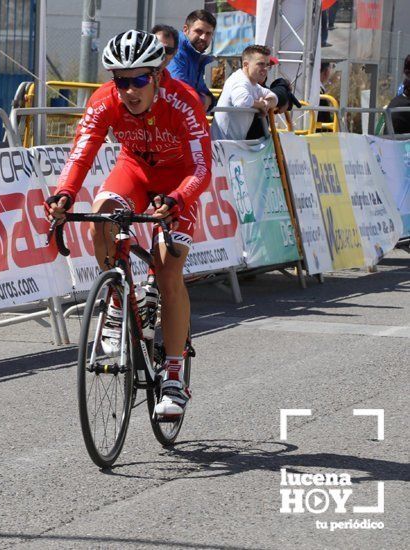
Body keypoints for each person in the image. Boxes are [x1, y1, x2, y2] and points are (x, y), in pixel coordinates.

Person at [45, 30, 211, 418]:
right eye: (121, 81)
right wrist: (64, 193)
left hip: (179, 181)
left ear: (157, 75)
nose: (129, 90)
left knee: (168, 268)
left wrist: (177, 200)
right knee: (101, 215)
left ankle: (172, 375)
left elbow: (202, 167)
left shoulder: (183, 101)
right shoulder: (104, 101)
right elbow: (81, 152)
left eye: (138, 80)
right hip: (134, 172)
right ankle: (119, 302)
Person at [212, 45, 278, 140]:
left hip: (231, 145)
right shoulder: (239, 80)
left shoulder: (252, 83)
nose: (265, 69)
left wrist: (265, 103)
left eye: (267, 65)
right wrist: (260, 105)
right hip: (222, 146)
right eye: (261, 64)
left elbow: (274, 97)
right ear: (246, 65)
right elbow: (241, 102)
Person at [169, 9, 217, 111]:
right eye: (199, 31)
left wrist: (210, 99)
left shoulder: (195, 54)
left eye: (208, 33)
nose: (203, 37)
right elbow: (180, 95)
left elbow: (201, 89)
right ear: (186, 30)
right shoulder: (175, 50)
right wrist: (204, 100)